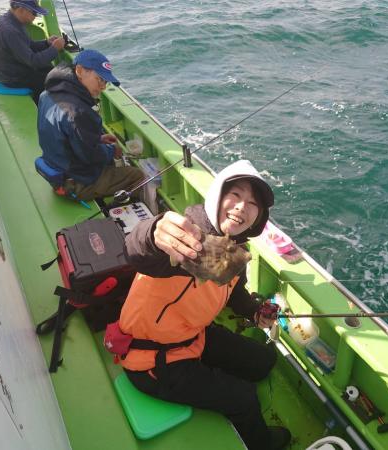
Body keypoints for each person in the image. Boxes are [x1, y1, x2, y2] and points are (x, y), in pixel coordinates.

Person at [118, 160, 291, 450]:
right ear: (218, 195)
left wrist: (253, 312)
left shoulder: (235, 252)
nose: (241, 207)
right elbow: (137, 252)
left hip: (192, 335)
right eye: (235, 194)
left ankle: (214, 375)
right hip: (152, 358)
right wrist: (153, 232)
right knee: (244, 398)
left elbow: (234, 292)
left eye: (252, 203)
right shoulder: (187, 238)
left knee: (263, 361)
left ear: (258, 217)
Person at [37, 49, 145, 201]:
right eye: (99, 79)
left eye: (105, 82)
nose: (103, 87)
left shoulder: (46, 95)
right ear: (80, 71)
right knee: (137, 176)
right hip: (75, 183)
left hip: (56, 170)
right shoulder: (78, 112)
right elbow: (90, 156)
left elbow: (64, 135)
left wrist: (97, 139)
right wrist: (111, 150)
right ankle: (123, 207)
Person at [0, 0, 65, 104]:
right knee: (56, 81)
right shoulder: (9, 31)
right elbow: (34, 61)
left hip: (10, 67)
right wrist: (55, 48)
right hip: (8, 77)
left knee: (51, 69)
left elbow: (29, 45)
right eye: (34, 13)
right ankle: (41, 106)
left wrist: (47, 43)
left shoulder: (12, 21)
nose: (35, 16)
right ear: (21, 10)